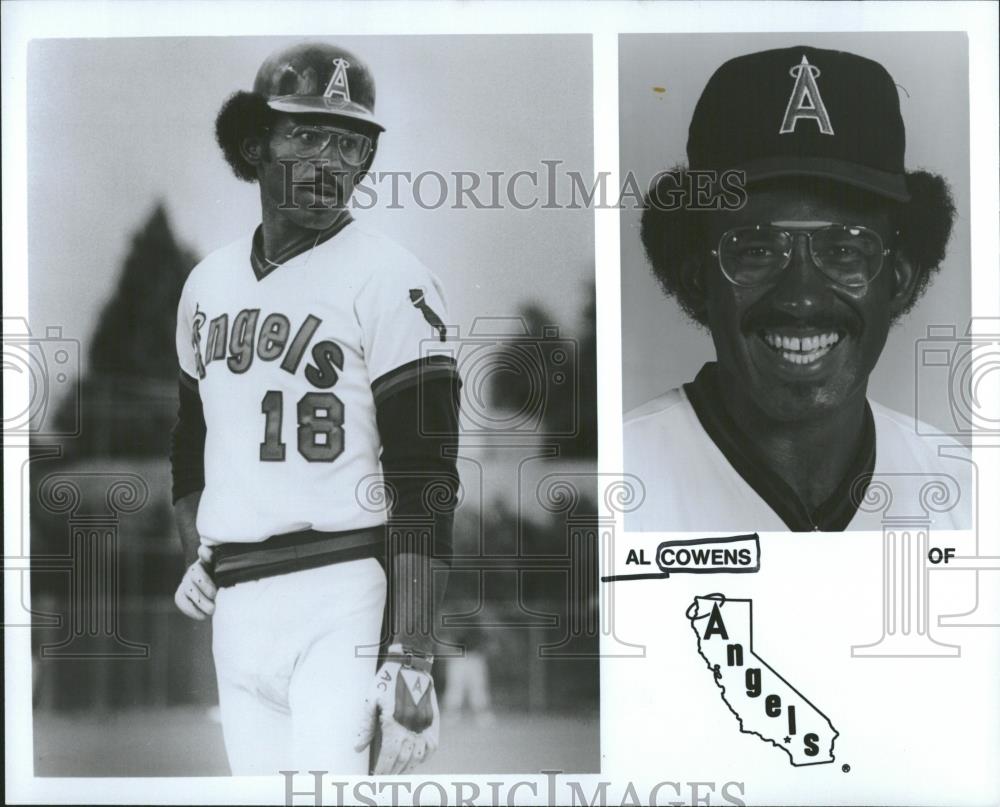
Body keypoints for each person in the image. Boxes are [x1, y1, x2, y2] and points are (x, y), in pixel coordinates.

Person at [169, 41, 461, 775]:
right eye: (305, 133)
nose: (332, 159)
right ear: (253, 143)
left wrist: (413, 655)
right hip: (234, 604)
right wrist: (194, 548)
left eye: (350, 141)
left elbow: (427, 477)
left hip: (342, 591)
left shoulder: (392, 276)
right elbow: (188, 443)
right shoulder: (206, 284)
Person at [625, 45, 970, 532]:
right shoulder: (619, 480)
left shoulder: (966, 489)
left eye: (846, 249)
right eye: (756, 250)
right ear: (697, 282)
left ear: (899, 281)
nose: (801, 298)